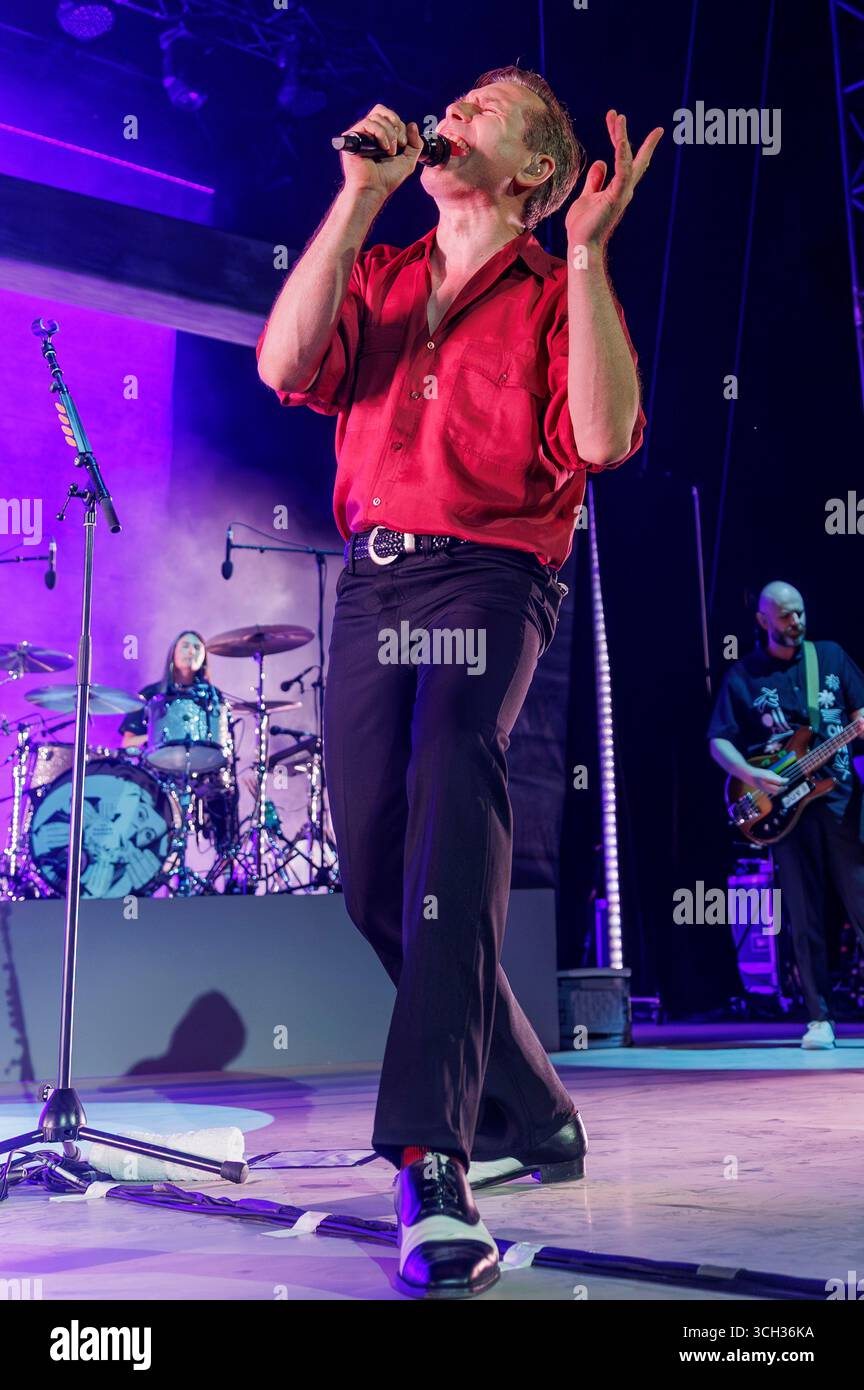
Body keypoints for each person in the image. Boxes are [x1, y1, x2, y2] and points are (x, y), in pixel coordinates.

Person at [258, 65, 661, 1298]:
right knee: (376, 869)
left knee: (451, 781)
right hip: (373, 583)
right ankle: (536, 1105)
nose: (454, 113)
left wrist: (588, 258)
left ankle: (434, 1158)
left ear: (534, 169)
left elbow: (599, 442)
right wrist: (354, 199)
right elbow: (283, 363)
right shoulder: (379, 274)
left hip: (487, 580)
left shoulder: (552, 288)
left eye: (484, 107)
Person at [708, 582, 864, 1049]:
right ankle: (819, 1017)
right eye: (784, 616)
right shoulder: (746, 675)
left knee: (860, 900)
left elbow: (859, 711)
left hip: (838, 796)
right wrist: (750, 778)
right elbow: (718, 739)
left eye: (799, 612)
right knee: (803, 910)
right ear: (763, 620)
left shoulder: (831, 657)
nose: (795, 622)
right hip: (783, 809)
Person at [119, 631, 236, 851]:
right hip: (159, 772)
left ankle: (226, 862)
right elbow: (127, 743)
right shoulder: (151, 694)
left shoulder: (213, 696)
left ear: (204, 657)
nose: (191, 651)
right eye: (185, 646)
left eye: (197, 647)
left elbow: (224, 743)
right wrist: (158, 738)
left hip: (204, 771)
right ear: (173, 652)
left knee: (224, 793)